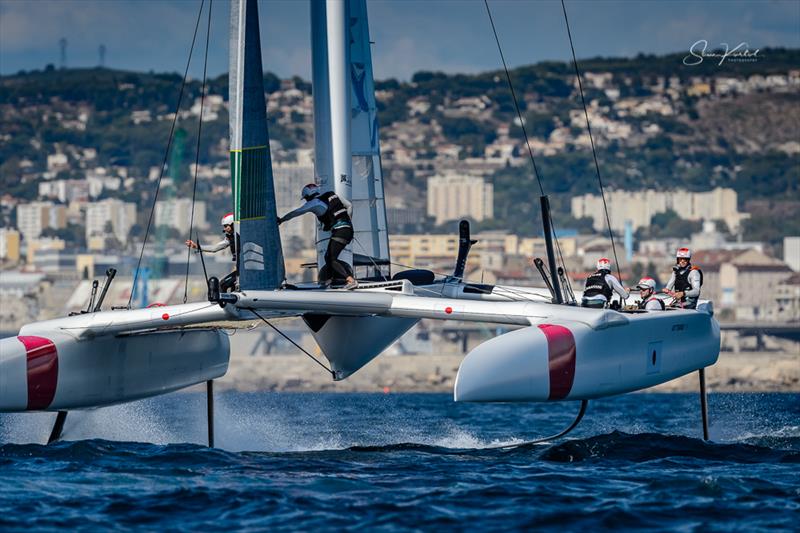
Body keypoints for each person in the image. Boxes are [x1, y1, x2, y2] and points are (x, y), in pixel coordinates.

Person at [277, 183, 358, 290]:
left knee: (331, 258)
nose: (306, 200)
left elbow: (296, 212)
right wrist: (347, 222)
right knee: (328, 257)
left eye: (306, 198)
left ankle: (350, 280)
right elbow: (349, 206)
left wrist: (282, 220)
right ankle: (328, 280)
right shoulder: (332, 195)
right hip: (347, 230)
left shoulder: (314, 203)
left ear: (308, 196)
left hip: (340, 231)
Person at [186, 212, 239, 292]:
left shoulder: (240, 236)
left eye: (226, 226)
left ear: (233, 224)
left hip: (244, 271)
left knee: (222, 285)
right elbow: (214, 248)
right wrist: (197, 246)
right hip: (239, 269)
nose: (224, 229)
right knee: (227, 286)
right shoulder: (230, 238)